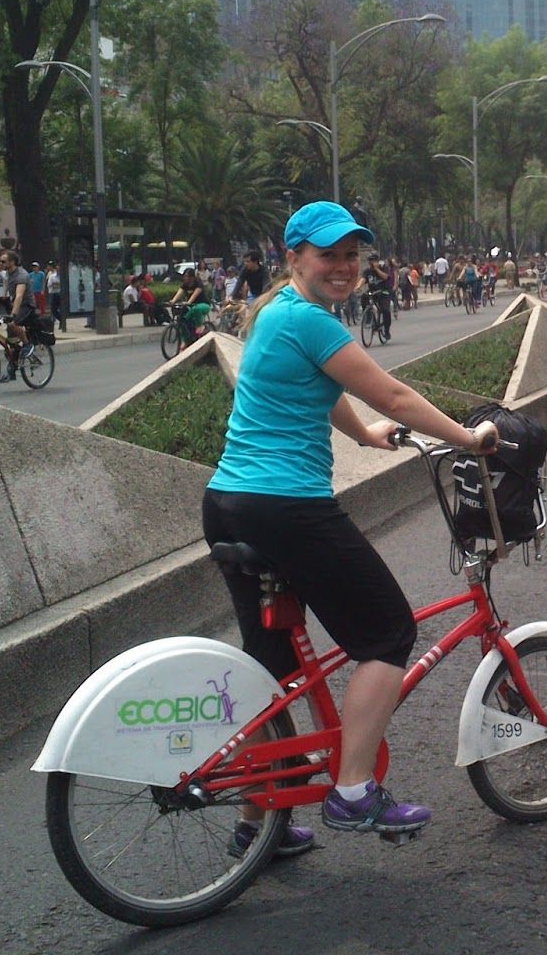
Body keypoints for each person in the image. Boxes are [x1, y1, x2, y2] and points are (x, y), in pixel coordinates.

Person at [203, 200, 498, 851]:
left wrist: (362, 434)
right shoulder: (308, 320)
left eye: (351, 254)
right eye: (327, 254)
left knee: (271, 667)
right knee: (387, 633)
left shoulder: (278, 315)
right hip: (286, 506)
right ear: (294, 258)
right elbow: (392, 393)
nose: (342, 266)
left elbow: (323, 388)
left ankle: (258, 823)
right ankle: (355, 791)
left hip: (230, 499)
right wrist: (468, 439)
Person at [169, 267, 212, 341]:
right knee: (182, 320)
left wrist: (188, 302)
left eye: (187, 276)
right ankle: (187, 339)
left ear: (192, 277)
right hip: (191, 306)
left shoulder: (198, 284)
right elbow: (179, 293)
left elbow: (195, 294)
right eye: (184, 276)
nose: (185, 278)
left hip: (203, 305)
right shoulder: (185, 285)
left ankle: (200, 326)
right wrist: (173, 301)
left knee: (196, 308)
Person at [361, 254, 393, 339]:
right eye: (370, 260)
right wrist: (357, 287)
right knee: (363, 297)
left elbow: (385, 277)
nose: (371, 262)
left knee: (385, 310)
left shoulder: (384, 268)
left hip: (384, 291)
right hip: (373, 291)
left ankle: (386, 330)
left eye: (373, 260)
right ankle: (368, 316)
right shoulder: (368, 271)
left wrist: (376, 269)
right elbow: (363, 279)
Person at [46, 261, 65, 332]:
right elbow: (49, 285)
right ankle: (61, 319)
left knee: (62, 309)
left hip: (60, 294)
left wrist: (56, 284)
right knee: (53, 310)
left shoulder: (63, 277)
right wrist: (57, 284)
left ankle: (62, 323)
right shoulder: (52, 276)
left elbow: (63, 285)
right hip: (53, 294)